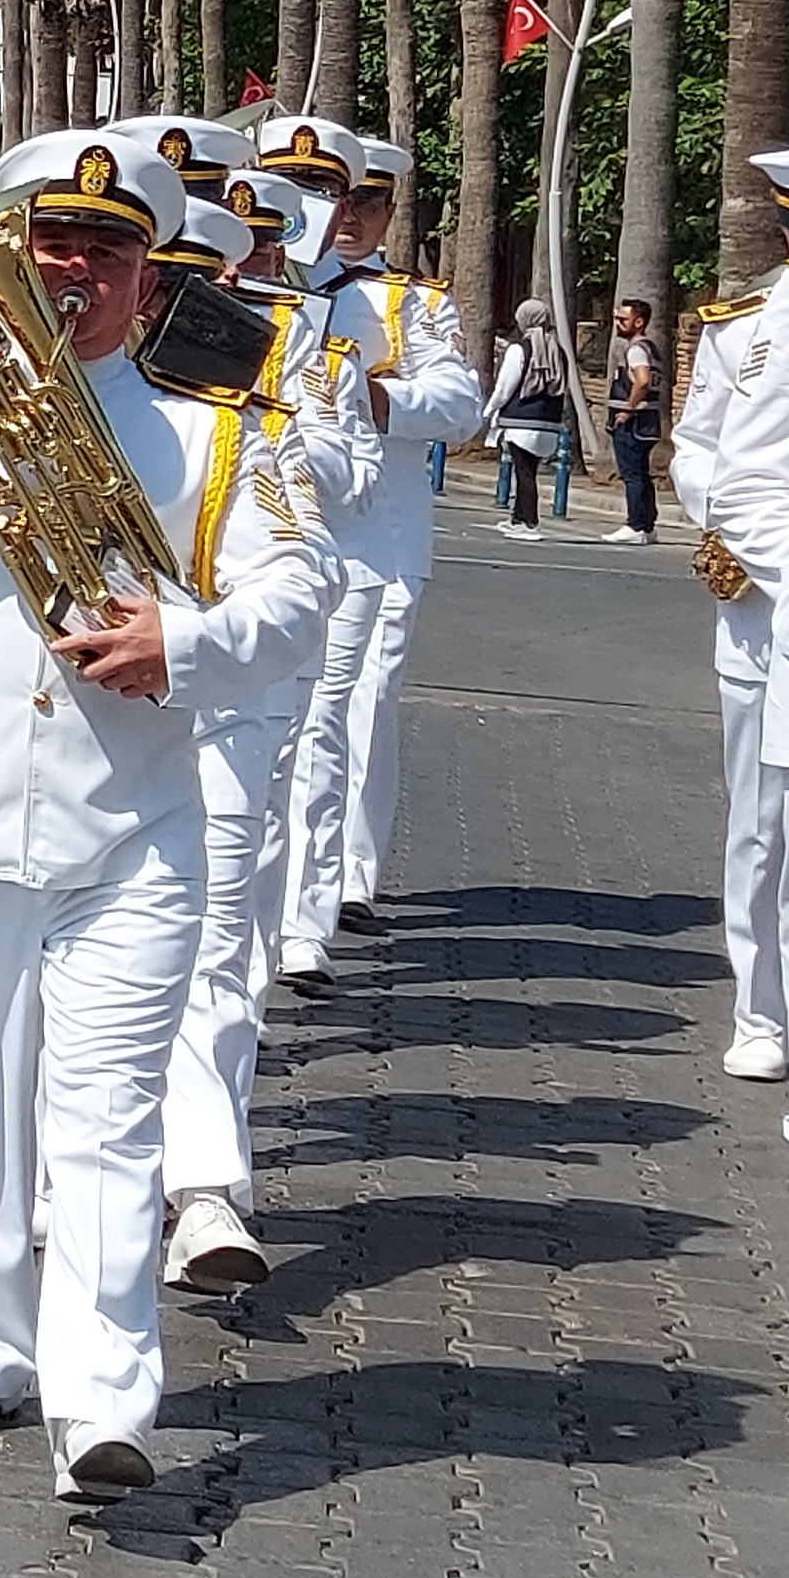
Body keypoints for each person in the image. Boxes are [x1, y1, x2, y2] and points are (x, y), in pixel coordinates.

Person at [0, 129, 324, 1503]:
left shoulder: (220, 421)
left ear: (149, 275)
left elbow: (298, 596)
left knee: (108, 1117)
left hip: (133, 824)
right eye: (51, 243)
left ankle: (102, 1391)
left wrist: (186, 642)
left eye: (106, 249)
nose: (74, 268)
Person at [146, 185, 362, 1300]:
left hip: (226, 702)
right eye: (156, 276)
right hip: (82, 712)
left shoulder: (277, 374)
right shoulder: (51, 381)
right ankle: (72, 1169)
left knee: (218, 933)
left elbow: (329, 512)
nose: (171, 302)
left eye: (196, 280)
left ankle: (205, 1186)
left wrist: (265, 417)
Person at [259, 118, 479, 986]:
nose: (341, 216)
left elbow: (458, 400)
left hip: (372, 538)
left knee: (353, 706)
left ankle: (340, 880)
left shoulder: (406, 303)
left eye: (364, 201)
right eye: (322, 197)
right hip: (269, 536)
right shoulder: (241, 284)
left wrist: (368, 399)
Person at [672, 147, 789, 1111]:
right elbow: (706, 453)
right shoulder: (750, 327)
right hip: (768, 600)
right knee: (761, 819)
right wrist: (731, 534)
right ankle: (760, 1007)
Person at [486, 297, 571, 537]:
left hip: (520, 420)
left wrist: (490, 409)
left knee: (523, 471)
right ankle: (518, 517)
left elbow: (505, 386)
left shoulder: (520, 348)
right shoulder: (558, 351)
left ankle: (529, 521)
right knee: (528, 470)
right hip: (549, 420)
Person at [604, 296, 663, 545]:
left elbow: (642, 380)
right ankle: (647, 524)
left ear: (638, 322)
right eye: (616, 318)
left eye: (623, 319)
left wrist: (628, 409)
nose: (617, 323)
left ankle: (636, 524)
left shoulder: (637, 350)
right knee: (641, 473)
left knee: (632, 474)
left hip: (635, 421)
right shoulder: (652, 348)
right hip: (648, 419)